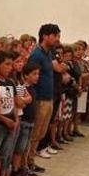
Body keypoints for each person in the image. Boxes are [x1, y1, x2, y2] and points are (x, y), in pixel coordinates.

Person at [28, 24, 62, 168]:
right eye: (55, 36)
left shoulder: (48, 53)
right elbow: (31, 77)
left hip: (48, 98)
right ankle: (26, 163)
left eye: (58, 36)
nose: (57, 39)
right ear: (45, 36)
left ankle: (30, 161)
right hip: (40, 99)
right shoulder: (37, 54)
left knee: (41, 133)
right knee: (34, 134)